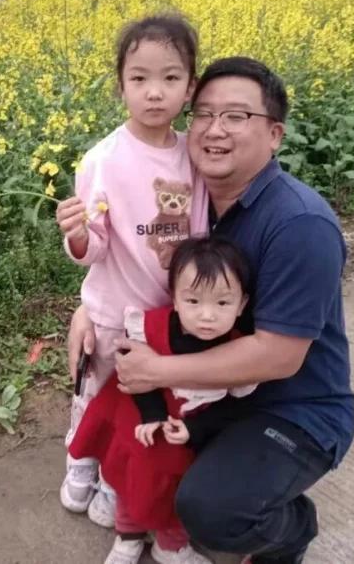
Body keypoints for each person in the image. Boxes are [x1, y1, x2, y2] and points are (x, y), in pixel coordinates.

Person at [66, 57, 354, 564]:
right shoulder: (199, 208)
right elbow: (144, 274)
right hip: (216, 393)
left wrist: (157, 371)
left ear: (275, 135)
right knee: (132, 437)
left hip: (293, 408)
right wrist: (88, 310)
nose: (214, 129)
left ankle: (292, 530)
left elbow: (279, 357)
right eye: (203, 114)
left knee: (213, 512)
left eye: (236, 116)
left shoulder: (299, 224)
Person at [54, 14, 210, 530]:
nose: (154, 92)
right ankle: (80, 461)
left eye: (170, 77)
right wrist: (77, 235)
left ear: (190, 86)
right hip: (111, 312)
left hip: (165, 318)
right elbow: (94, 247)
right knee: (94, 391)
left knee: (138, 405)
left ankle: (113, 478)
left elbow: (200, 232)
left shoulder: (192, 156)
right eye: (139, 78)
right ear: (120, 85)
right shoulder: (104, 159)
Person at [68, 236, 258, 564]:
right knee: (130, 485)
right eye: (193, 301)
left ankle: (170, 547)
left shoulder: (239, 351)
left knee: (177, 498)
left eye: (222, 303)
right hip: (142, 433)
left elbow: (236, 404)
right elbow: (130, 371)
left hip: (188, 444)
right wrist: (152, 413)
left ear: (242, 304)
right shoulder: (148, 327)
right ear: (174, 298)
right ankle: (127, 538)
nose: (207, 316)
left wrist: (196, 428)